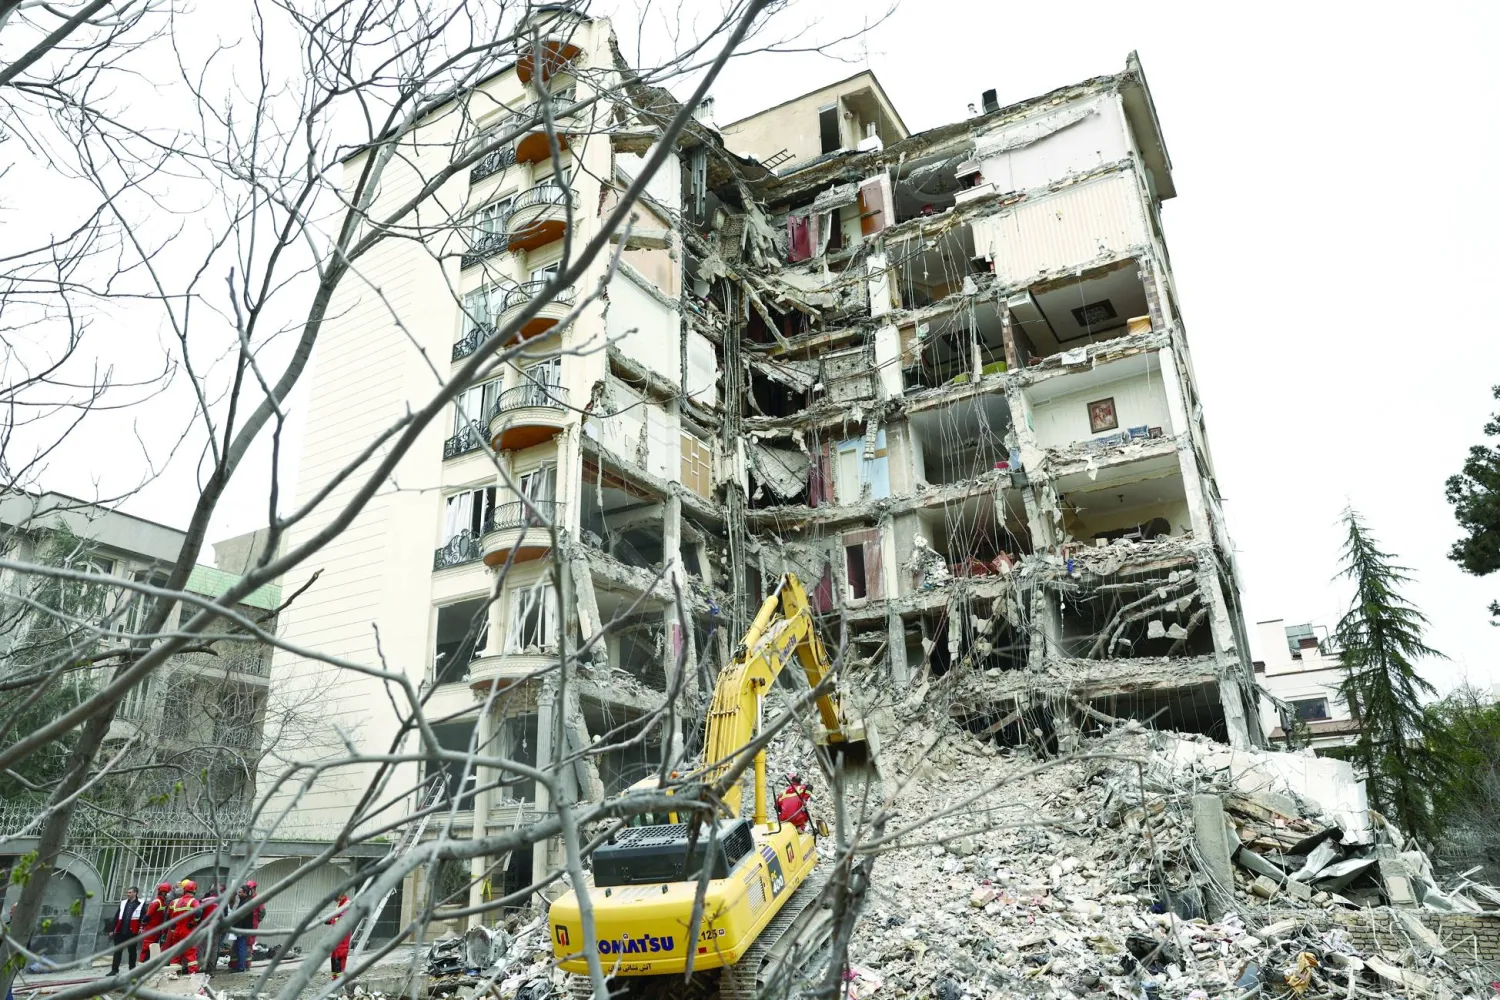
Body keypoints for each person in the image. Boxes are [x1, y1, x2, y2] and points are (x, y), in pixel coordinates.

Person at [165, 880, 202, 974]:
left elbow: (168, 916)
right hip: (188, 931)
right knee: (191, 954)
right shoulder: (193, 901)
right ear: (194, 891)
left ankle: (173, 974)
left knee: (176, 953)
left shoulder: (174, 902)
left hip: (176, 931)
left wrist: (172, 928)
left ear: (184, 890)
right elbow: (199, 912)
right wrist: (193, 922)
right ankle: (192, 975)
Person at [228, 882, 265, 972]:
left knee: (246, 946)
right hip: (245, 926)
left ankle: (243, 965)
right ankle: (236, 965)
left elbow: (262, 913)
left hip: (248, 926)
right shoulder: (247, 899)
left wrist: (256, 922)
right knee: (239, 946)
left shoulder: (256, 899)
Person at [108, 887, 143, 975]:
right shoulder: (123, 903)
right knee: (117, 951)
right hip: (121, 931)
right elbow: (117, 916)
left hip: (132, 932)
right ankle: (114, 970)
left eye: (130, 892)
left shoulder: (141, 903)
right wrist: (112, 929)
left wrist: (141, 927)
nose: (128, 894)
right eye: (127, 892)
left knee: (132, 951)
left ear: (135, 893)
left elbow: (143, 916)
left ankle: (132, 970)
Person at [139, 883, 172, 961]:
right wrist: (142, 926)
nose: (168, 895)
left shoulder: (162, 902)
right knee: (147, 947)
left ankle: (149, 965)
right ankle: (142, 966)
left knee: (153, 947)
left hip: (156, 930)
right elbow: (147, 916)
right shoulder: (157, 902)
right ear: (163, 893)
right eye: (167, 893)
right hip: (151, 929)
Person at [326, 893, 352, 981]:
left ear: (341, 895)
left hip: (344, 933)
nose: (336, 901)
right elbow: (337, 917)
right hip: (337, 932)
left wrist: (331, 920)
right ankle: (335, 976)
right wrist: (329, 920)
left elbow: (343, 918)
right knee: (334, 954)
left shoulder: (347, 904)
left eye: (337, 899)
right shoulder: (339, 904)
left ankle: (339, 978)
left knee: (341, 953)